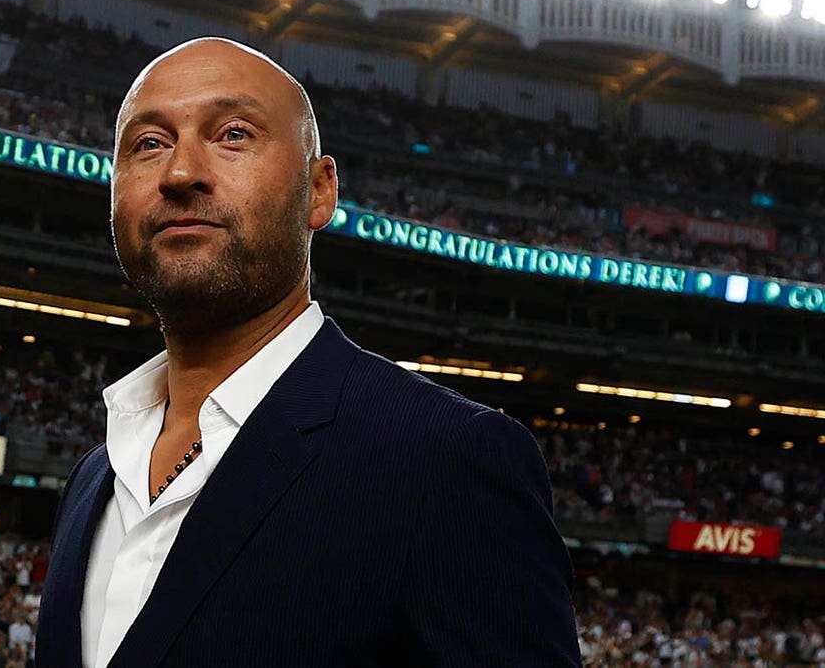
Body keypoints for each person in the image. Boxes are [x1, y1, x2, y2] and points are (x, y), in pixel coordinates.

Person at [36, 37, 580, 667]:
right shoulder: (92, 480)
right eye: (148, 143)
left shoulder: (447, 457)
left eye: (233, 135)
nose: (180, 172)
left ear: (320, 190)